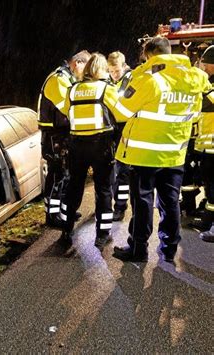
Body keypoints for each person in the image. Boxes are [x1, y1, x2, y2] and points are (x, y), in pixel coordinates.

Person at [112, 37, 210, 262]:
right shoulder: (194, 78)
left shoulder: (149, 80)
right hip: (174, 153)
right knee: (170, 201)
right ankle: (169, 248)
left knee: (142, 203)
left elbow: (120, 111)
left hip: (144, 154)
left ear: (150, 54)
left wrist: (137, 75)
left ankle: (138, 249)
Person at [55, 53, 125, 250]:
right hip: (100, 145)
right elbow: (121, 114)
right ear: (101, 70)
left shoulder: (72, 90)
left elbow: (65, 111)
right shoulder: (106, 88)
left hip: (77, 146)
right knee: (103, 189)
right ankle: (102, 235)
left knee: (73, 188)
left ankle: (66, 230)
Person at [37, 50, 91, 226]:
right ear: (77, 63)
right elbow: (67, 108)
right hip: (54, 135)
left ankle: (60, 211)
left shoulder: (67, 78)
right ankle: (52, 216)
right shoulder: (58, 79)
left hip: (61, 134)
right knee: (56, 174)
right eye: (86, 68)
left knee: (64, 175)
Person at [192, 45, 214, 242]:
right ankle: (208, 221)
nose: (204, 69)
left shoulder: (210, 88)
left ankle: (211, 225)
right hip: (207, 149)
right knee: (210, 187)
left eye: (207, 65)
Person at [108, 51, 132, 221]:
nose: (114, 74)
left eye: (116, 71)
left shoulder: (132, 81)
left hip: (126, 130)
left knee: (122, 172)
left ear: (124, 66)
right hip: (113, 130)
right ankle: (109, 202)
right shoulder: (110, 82)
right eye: (111, 71)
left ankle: (120, 207)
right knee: (113, 170)